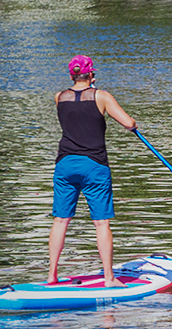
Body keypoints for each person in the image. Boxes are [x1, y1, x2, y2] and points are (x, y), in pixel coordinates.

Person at [49, 55, 137, 285]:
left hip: (65, 164)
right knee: (101, 223)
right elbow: (128, 123)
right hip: (94, 165)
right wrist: (134, 124)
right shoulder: (102, 96)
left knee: (60, 221)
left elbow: (76, 113)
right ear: (91, 75)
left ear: (71, 75)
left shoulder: (59, 97)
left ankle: (51, 276)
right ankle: (109, 278)